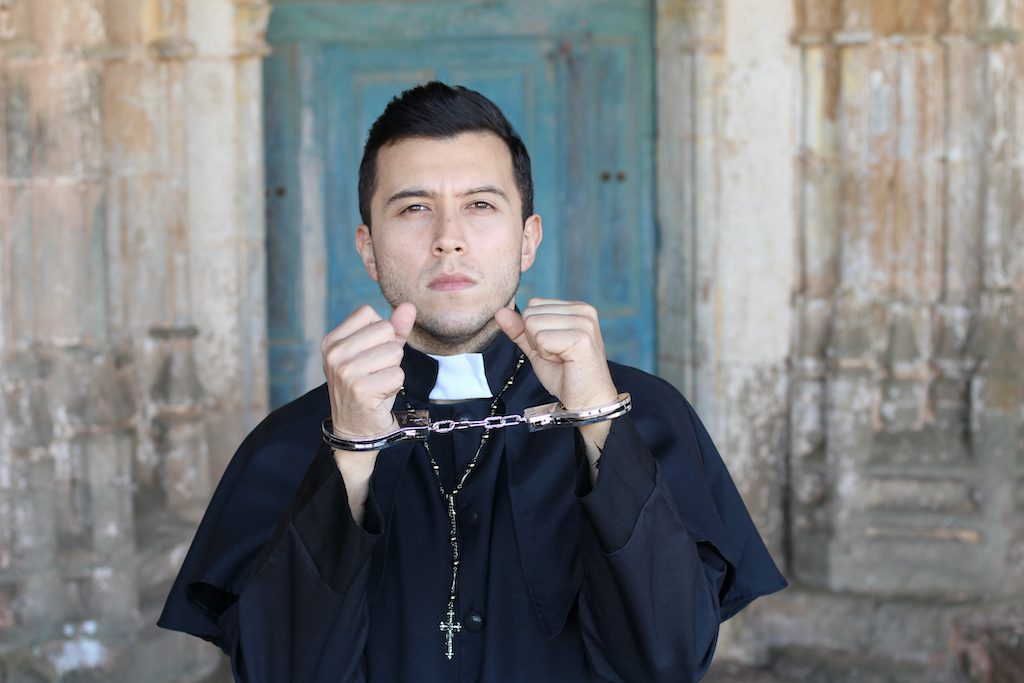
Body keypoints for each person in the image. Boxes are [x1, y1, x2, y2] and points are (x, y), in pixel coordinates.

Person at [159, 81, 786, 682]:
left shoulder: (644, 416)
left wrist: (597, 422)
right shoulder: (289, 442)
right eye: (414, 208)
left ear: (527, 240)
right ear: (369, 249)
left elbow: (669, 660)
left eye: (480, 205)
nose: (448, 240)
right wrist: (349, 453)